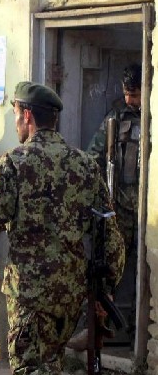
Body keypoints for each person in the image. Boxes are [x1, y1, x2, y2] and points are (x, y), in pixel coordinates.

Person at [0, 81, 125, 375]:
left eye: (16, 115)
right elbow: (110, 235)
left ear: (28, 115)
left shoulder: (11, 164)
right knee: (48, 366)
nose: (16, 122)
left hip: (30, 294)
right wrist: (105, 289)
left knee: (30, 368)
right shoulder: (85, 165)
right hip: (70, 294)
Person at [67, 62, 142, 350]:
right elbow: (93, 155)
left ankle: (138, 336)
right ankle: (98, 328)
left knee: (144, 274)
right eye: (126, 93)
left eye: (134, 94)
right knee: (109, 269)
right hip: (121, 208)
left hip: (148, 213)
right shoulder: (117, 117)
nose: (129, 100)